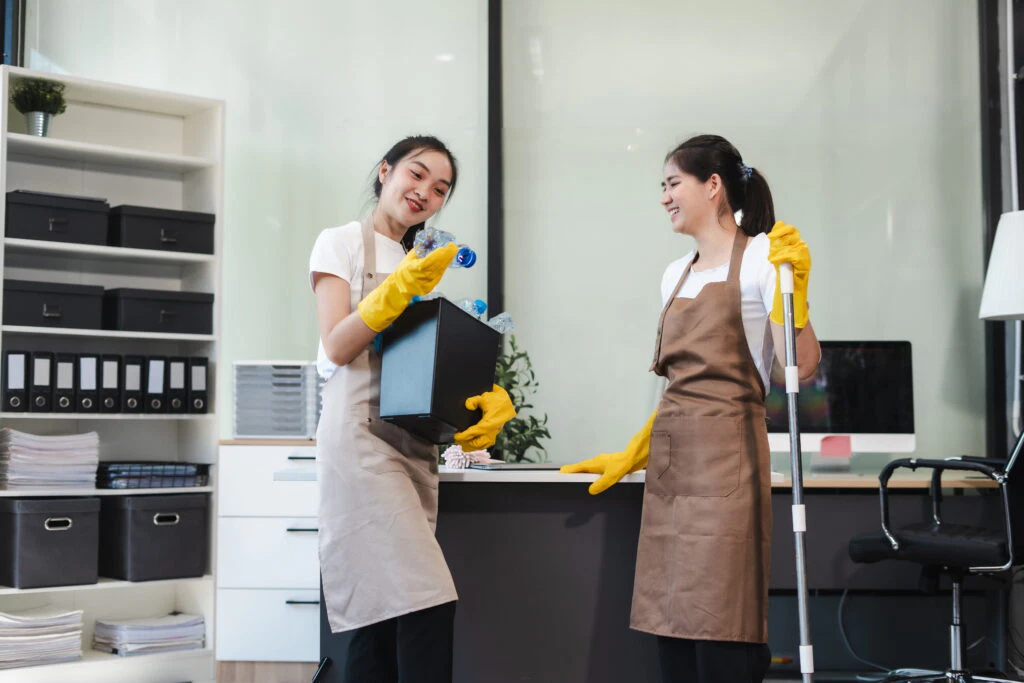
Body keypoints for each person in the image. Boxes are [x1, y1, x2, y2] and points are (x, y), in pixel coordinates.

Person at [561, 134, 821, 683]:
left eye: (672, 183)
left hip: (729, 465)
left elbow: (796, 369)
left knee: (724, 626)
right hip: (672, 470)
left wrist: (793, 289)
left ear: (713, 185)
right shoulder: (672, 274)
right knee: (672, 626)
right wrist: (641, 446)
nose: (664, 197)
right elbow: (676, 384)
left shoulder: (762, 262)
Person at [309, 135, 516, 682]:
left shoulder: (417, 260)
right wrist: (393, 293)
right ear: (385, 171)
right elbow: (335, 345)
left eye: (440, 188)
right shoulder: (341, 242)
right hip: (359, 438)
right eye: (416, 175)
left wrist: (478, 403)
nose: (425, 192)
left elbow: (418, 368)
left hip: (413, 447)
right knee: (425, 602)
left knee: (384, 615)